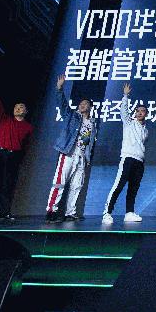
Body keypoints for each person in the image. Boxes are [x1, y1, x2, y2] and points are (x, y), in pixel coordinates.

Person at [46, 75, 99, 223]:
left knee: (77, 186)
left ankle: (70, 212)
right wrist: (59, 88)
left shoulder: (93, 123)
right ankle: (51, 211)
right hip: (68, 153)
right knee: (60, 182)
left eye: (85, 103)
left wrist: (87, 157)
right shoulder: (72, 116)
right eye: (80, 103)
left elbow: (90, 143)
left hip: (82, 157)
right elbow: (62, 105)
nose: (82, 105)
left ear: (90, 107)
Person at [0, 81, 33, 220]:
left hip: (12, 156)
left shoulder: (28, 127)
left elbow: (26, 145)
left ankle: (5, 212)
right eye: (16, 107)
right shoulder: (4, 119)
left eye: (21, 107)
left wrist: (19, 158)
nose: (18, 109)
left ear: (26, 111)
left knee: (5, 184)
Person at [102, 83, 149, 224]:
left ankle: (129, 213)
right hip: (128, 158)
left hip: (140, 161)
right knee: (119, 185)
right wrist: (125, 96)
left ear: (146, 114)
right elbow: (123, 111)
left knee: (133, 188)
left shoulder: (146, 130)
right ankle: (107, 213)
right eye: (137, 111)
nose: (139, 113)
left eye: (142, 111)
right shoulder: (129, 123)